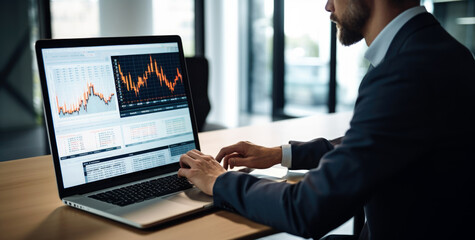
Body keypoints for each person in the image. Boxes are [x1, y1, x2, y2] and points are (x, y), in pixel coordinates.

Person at [178, 0, 475, 239]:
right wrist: (280, 154)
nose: (328, 6)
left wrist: (221, 181)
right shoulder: (438, 51)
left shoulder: (407, 72)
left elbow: (307, 209)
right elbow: (370, 147)